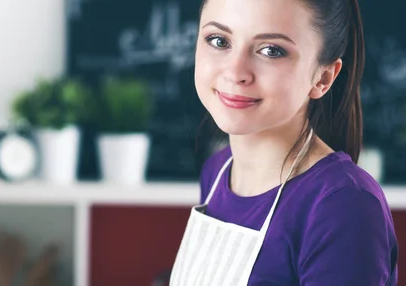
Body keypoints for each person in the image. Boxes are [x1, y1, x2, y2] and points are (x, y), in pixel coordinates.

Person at [170, 0, 399, 285]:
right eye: (219, 40)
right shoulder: (217, 171)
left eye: (271, 51)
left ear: (323, 78)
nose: (235, 72)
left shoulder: (343, 204)